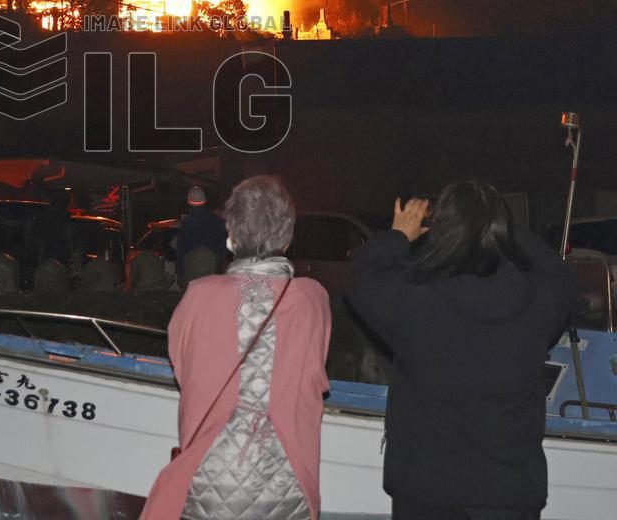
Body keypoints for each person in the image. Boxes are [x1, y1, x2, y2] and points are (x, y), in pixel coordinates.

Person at [347, 180, 576, 520]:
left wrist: (398, 235)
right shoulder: (538, 302)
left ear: (442, 231)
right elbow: (557, 270)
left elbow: (362, 274)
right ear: (499, 230)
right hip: (508, 493)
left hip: (426, 492)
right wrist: (504, 226)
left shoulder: (413, 300)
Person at [141, 175, 331, 520]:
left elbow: (184, 369)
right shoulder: (312, 299)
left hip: (207, 477)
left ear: (230, 236)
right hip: (288, 483)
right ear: (287, 238)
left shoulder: (200, 294)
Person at [175, 185, 228, 282]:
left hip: (192, 273)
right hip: (213, 272)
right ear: (205, 201)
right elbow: (222, 248)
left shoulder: (186, 224)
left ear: (189, 203)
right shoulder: (217, 221)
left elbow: (181, 250)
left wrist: (180, 273)